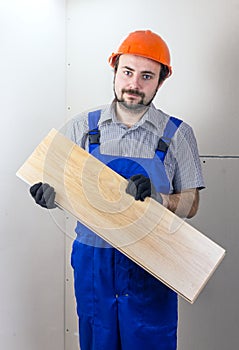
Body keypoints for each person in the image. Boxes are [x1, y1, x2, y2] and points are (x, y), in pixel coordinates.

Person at [30, 29, 205, 350]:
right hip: (94, 263)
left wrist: (159, 197)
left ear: (160, 81)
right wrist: (47, 194)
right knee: (98, 341)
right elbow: (58, 184)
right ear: (115, 71)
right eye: (127, 72)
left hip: (152, 264)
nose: (134, 84)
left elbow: (191, 203)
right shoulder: (82, 128)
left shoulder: (178, 135)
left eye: (146, 76)